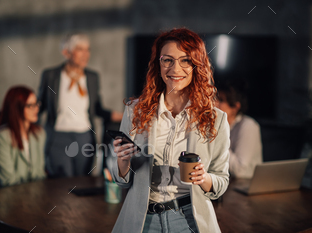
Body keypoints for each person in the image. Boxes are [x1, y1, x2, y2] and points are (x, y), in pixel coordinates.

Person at [111, 28, 230, 233]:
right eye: (168, 60)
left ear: (196, 65)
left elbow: (221, 180)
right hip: (142, 221)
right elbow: (121, 182)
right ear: (159, 64)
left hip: (189, 220)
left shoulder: (216, 119)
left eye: (185, 60)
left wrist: (204, 178)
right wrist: (122, 163)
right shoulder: (135, 112)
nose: (175, 69)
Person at [38, 33, 122, 177]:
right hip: (58, 137)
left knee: (82, 182)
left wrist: (120, 115)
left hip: (85, 138)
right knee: (62, 185)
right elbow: (41, 105)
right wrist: (18, 112)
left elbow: (96, 108)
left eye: (87, 49)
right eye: (80, 49)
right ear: (66, 52)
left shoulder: (92, 77)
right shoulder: (51, 75)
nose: (85, 54)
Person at [0, 86, 46, 189]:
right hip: (3, 197)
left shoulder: (39, 134)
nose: (36, 108)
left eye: (36, 104)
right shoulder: (2, 137)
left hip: (31, 195)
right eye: (30, 105)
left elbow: (39, 174)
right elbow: (8, 181)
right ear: (17, 108)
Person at [216, 79, 262, 178]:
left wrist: (215, 139)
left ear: (235, 107)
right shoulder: (220, 125)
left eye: (220, 100)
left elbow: (240, 169)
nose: (214, 103)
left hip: (245, 185)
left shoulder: (248, 126)